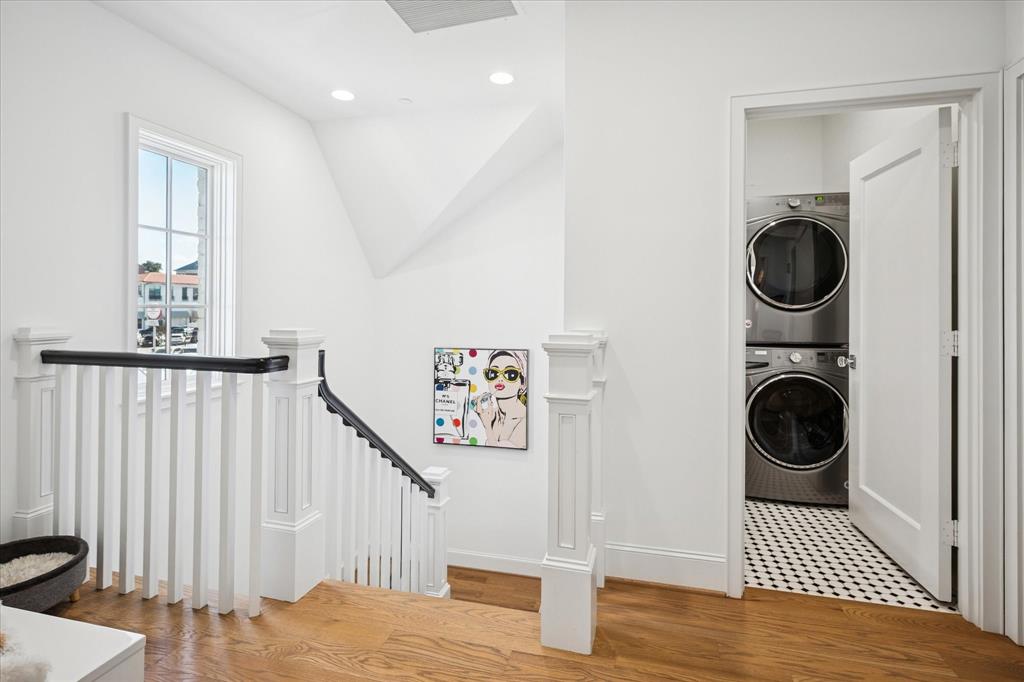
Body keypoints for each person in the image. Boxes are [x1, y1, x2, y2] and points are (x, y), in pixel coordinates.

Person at [473, 349, 527, 448]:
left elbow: (499, 453)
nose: (500, 379)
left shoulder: (524, 418)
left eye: (511, 374)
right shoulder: (491, 414)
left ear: (522, 384)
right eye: (493, 373)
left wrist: (488, 426)